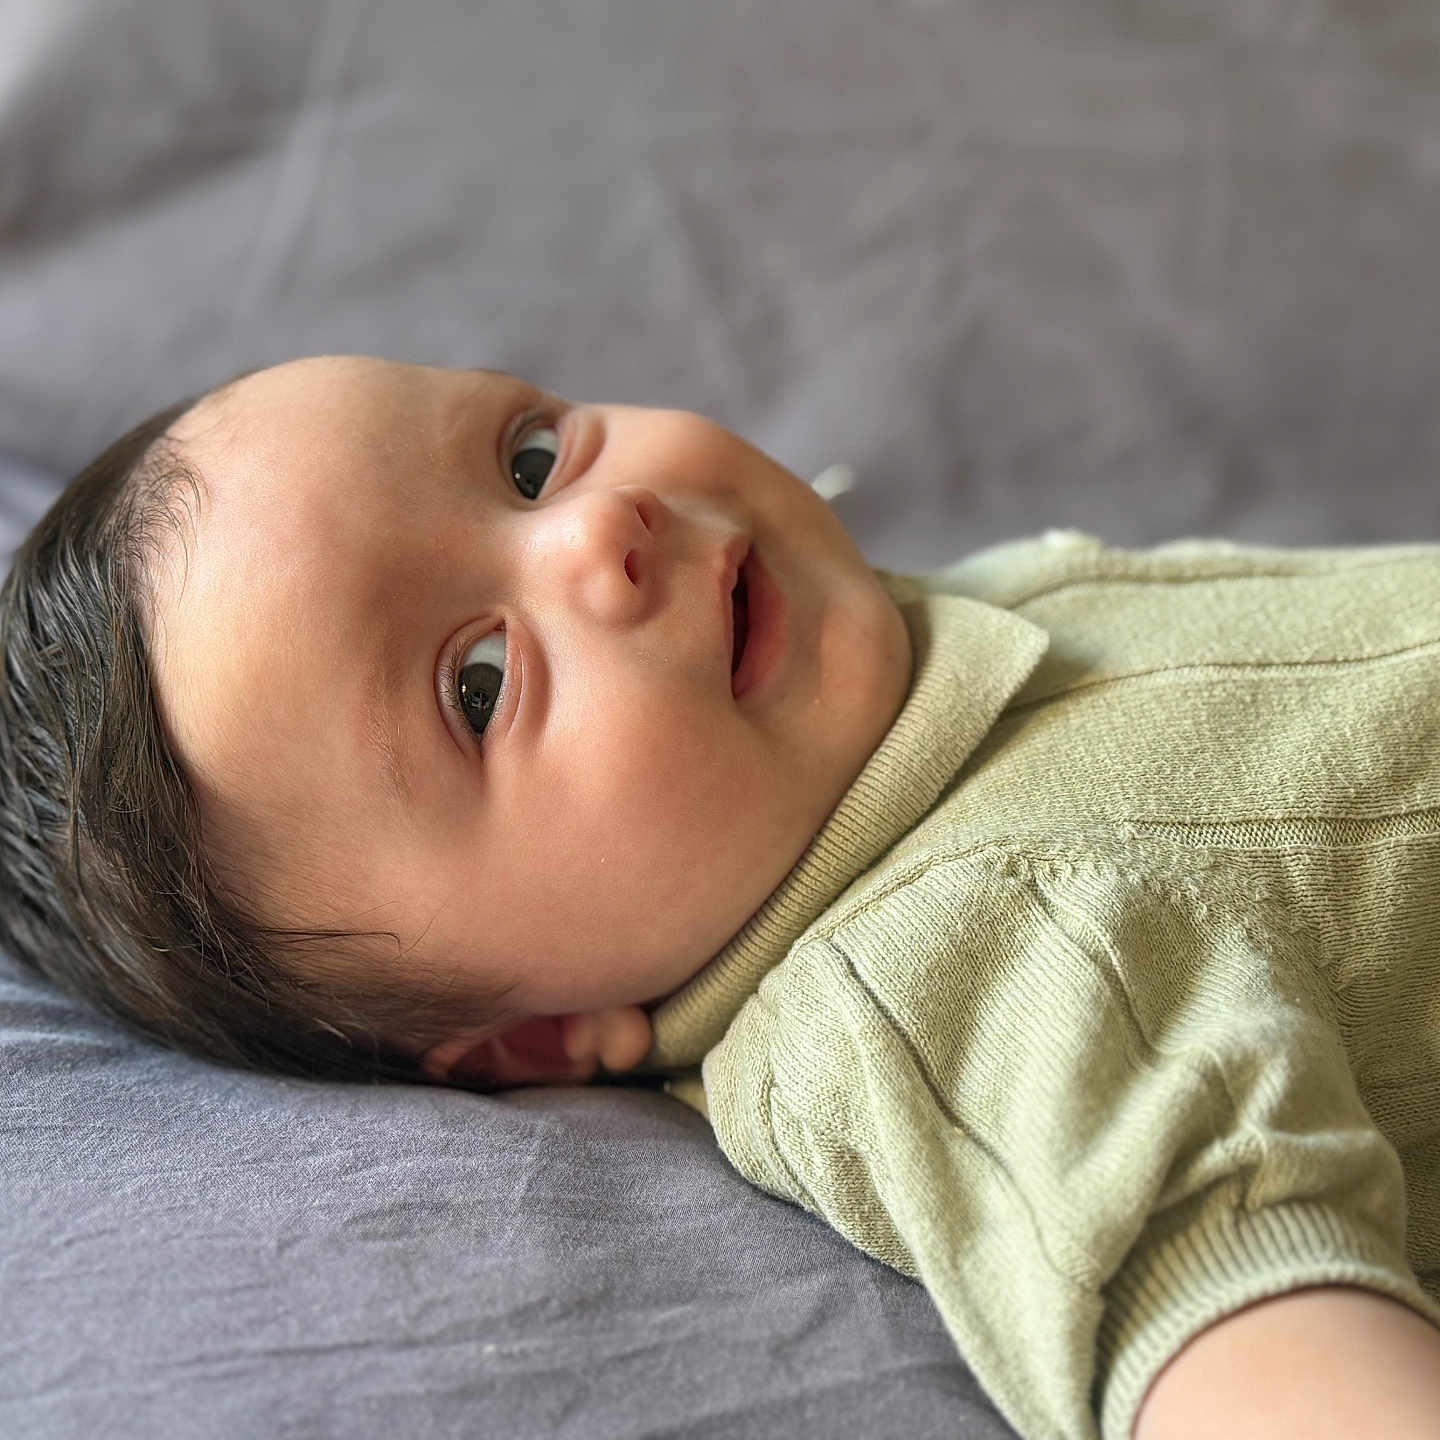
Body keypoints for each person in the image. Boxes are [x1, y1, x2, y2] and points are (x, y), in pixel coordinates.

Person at [2, 354, 1438, 1440]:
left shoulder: (931, 653)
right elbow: (1236, 1329)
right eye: (478, 686)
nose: (602, 528)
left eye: (527, 458)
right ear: (533, 1037)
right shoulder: (952, 969)